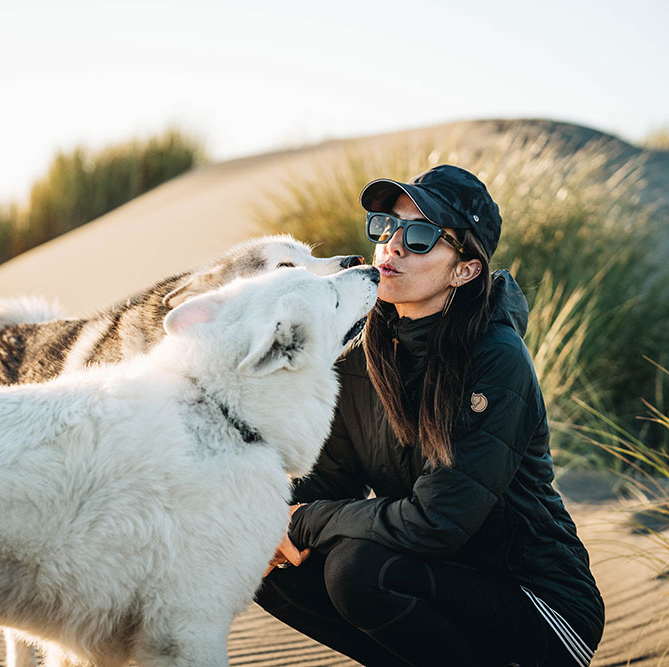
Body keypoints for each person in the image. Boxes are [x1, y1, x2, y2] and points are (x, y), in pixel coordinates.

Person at [256, 165, 604, 666]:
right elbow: (325, 486)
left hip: (536, 603)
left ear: (465, 269)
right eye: (385, 226)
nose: (392, 245)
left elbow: (435, 522)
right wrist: (269, 524)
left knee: (359, 571)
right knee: (268, 563)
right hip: (428, 577)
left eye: (419, 236)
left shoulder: (495, 360)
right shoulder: (361, 352)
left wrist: (306, 521)